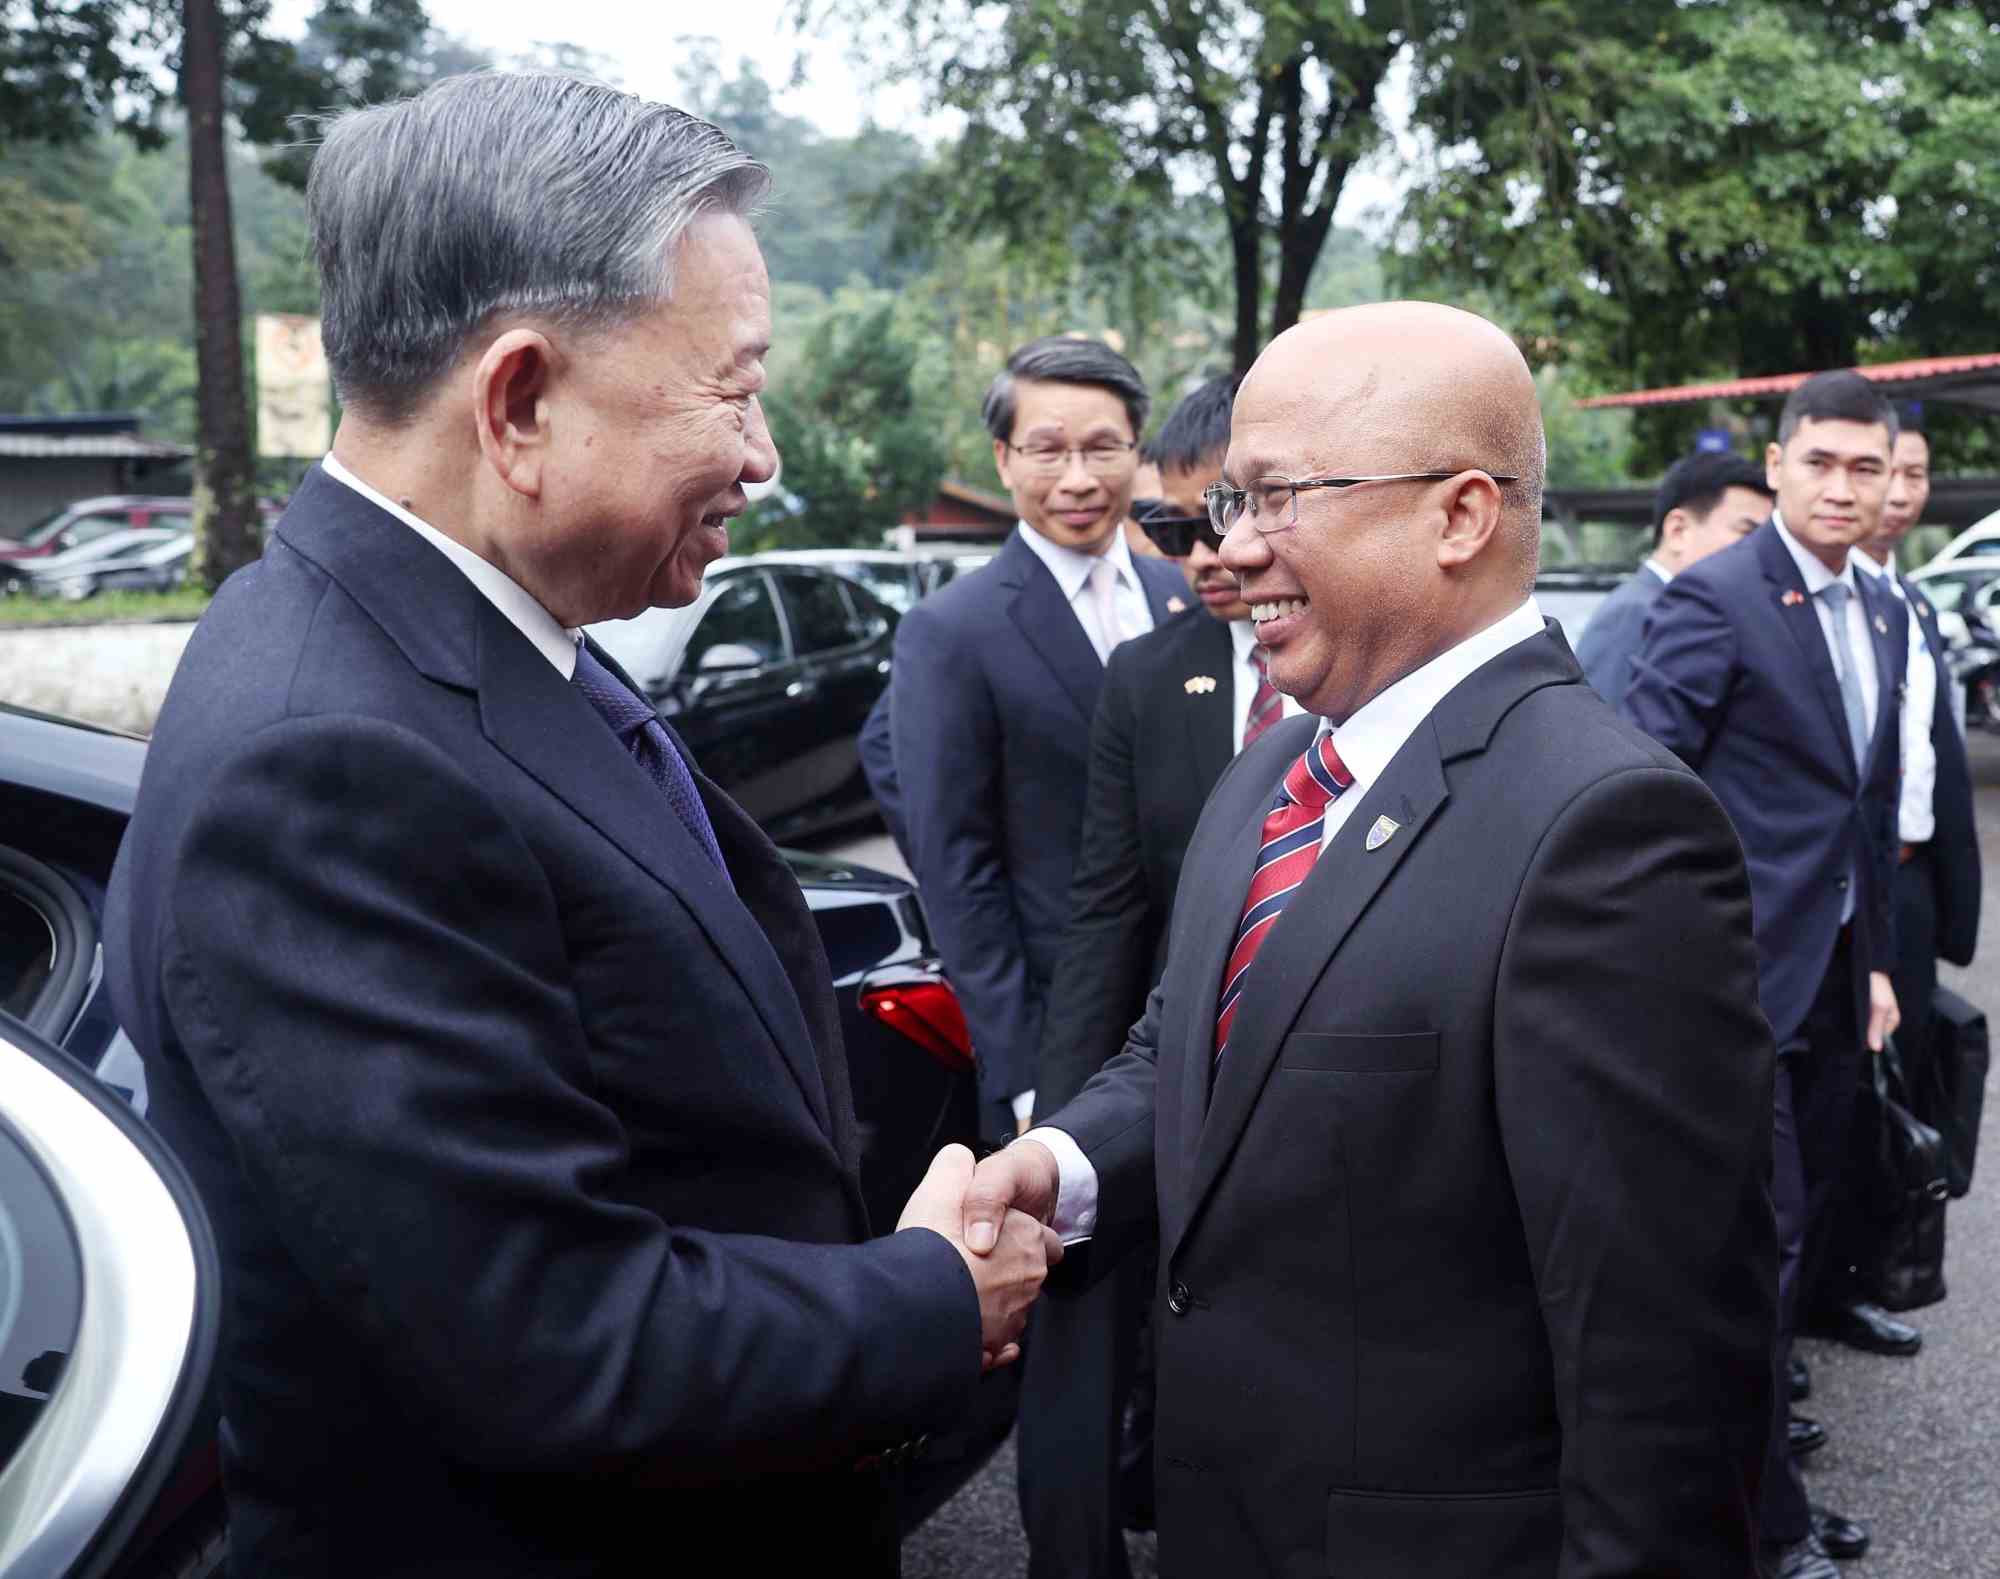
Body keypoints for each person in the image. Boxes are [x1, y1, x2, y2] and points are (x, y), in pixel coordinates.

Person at [100, 73, 1057, 1579]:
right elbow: (555, 1336)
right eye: (733, 388)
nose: (764, 454)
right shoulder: (325, 757)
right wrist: (931, 1290)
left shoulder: (458, 631)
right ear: (521, 400)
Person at [963, 302, 1777, 1578]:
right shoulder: (1276, 769)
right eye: (1229, 500)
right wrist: (1061, 1164)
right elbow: (1190, 1042)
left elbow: (1660, 1368)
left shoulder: (1607, 831)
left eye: (1276, 496)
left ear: (1458, 514)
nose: (1229, 549)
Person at [1623, 369, 1909, 1579]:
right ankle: (1759, 1531)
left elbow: (1862, 805)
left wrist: (1880, 960)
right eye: (1820, 464)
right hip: (1729, 982)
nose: (1842, 488)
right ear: (1779, 464)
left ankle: (1758, 1489)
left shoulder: (1886, 608)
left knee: (1794, 1243)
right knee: (1761, 1249)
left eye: (1865, 467)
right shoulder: (1718, 597)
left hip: (1838, 975)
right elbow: (1639, 788)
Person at [1017, 374, 1290, 1579]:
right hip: (1163, 1067)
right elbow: (1105, 913)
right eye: (1173, 528)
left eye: (1227, 509)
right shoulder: (1150, 677)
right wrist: (1063, 1119)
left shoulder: (1371, 667)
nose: (1208, 552)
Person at [889, 336, 1188, 1140]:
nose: (1080, 479)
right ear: (1003, 459)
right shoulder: (951, 632)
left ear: (1138, 451)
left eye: (1103, 448)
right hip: (1064, 1036)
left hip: (1204, 1008)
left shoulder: (1188, 594)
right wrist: (1022, 1075)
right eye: (1049, 451)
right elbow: (958, 868)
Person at [1811, 417, 1981, 1353]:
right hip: (1839, 890)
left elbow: (1929, 761)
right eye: (1888, 471)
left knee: (1894, 1081)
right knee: (1831, 1091)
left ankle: (1855, 1276)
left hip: (1906, 881)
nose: (1901, 490)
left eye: (1914, 472)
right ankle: (1812, 1291)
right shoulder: (1823, 602)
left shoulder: (1906, 600)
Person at [1575, 450, 1771, 706]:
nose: (1759, 551)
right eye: (1747, 532)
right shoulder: (1633, 612)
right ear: (1678, 531)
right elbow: (1604, 732)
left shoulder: (1687, 611)